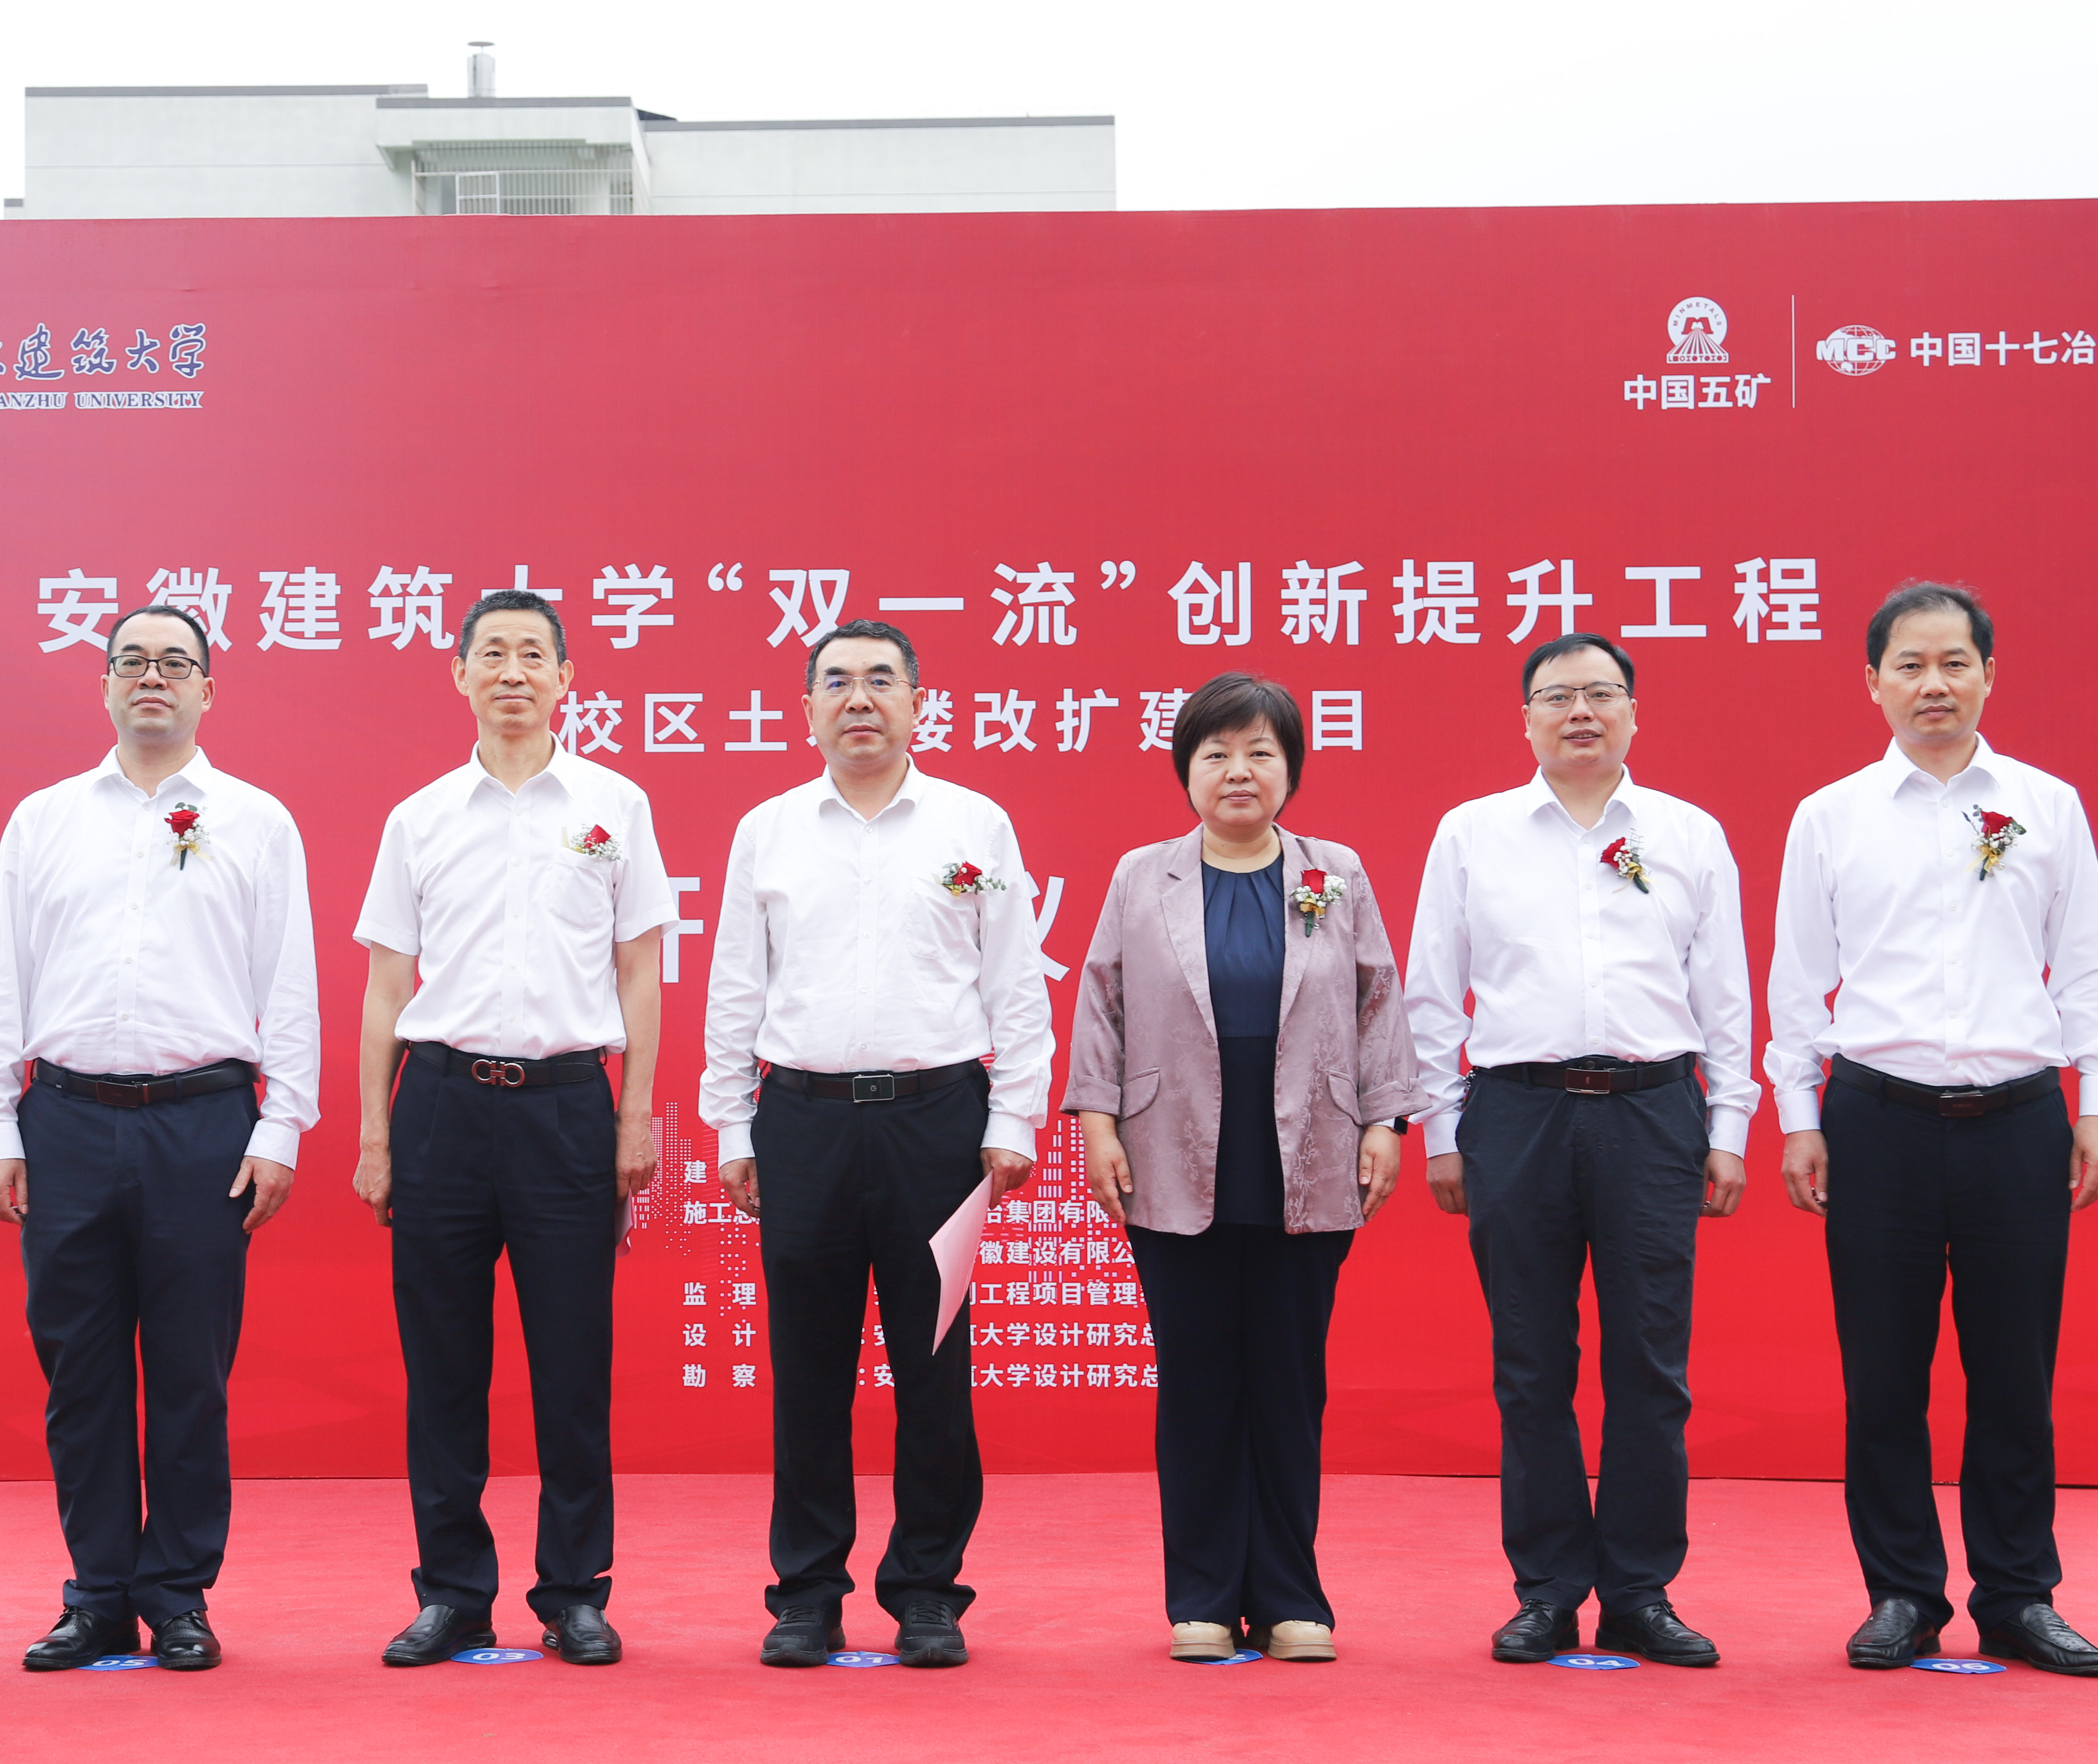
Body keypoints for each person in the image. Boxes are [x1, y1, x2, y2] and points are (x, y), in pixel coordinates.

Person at [1766, 584, 2098, 1677]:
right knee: (1885, 1375)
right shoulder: (1831, 815)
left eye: (1954, 663)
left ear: (1988, 675)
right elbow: (1797, 985)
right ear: (1873, 682)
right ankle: (1903, 1594)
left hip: (2020, 1118)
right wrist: (1799, 1117)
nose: (1934, 684)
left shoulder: (2048, 806)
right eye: (1911, 665)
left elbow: (2090, 968)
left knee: (2015, 1372)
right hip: (1877, 1119)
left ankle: (2018, 1596)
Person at [0, 606, 319, 1673]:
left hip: (204, 1123)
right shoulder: (44, 819)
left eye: (174, 663)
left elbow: (288, 981)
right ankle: (98, 1595)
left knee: (190, 1374)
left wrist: (282, 1126)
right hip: (65, 1120)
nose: (151, 678)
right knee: (78, 1373)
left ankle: (178, 1596)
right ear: (105, 685)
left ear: (208, 688)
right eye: (132, 662)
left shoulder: (256, 820)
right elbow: (2, 976)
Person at [705, 618, 1053, 1670]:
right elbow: (736, 987)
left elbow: (1016, 982)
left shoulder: (975, 823)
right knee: (807, 1373)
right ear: (807, 708)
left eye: (881, 681)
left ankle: (927, 1592)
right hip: (802, 1121)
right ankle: (807, 1594)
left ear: (918, 702)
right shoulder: (769, 830)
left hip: (936, 1124)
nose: (860, 699)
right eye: (838, 683)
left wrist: (1014, 1117)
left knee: (933, 1369)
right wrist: (732, 1124)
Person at [1403, 631, 1754, 1669]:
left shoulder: (1688, 833)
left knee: (1651, 1364)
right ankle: (1550, 1589)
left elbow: (1724, 994)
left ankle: (1641, 1591)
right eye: (1558, 697)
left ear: (1635, 713)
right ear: (1526, 721)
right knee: (1530, 1363)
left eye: (1603, 694)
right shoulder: (1473, 833)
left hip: (1654, 1111)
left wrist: (1729, 1127)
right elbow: (1433, 993)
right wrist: (1442, 1130)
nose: (1582, 713)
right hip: (1517, 1114)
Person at [352, 589, 674, 1668]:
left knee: (571, 1365)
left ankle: (574, 1591)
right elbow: (387, 984)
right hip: (440, 1106)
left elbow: (640, 969)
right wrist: (375, 1134)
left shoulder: (615, 804)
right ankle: (452, 1592)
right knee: (443, 1367)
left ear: (566, 677)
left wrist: (635, 1115)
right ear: (460, 674)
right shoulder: (420, 817)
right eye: (492, 653)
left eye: (534, 654)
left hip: (568, 1109)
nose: (513, 672)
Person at [1067, 672, 1412, 1663]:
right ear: (1187, 770)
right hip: (1172, 1159)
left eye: (1261, 751)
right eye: (1216, 753)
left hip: (1309, 1155)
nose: (1239, 771)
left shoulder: (1334, 872)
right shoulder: (1143, 877)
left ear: (1290, 769)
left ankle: (1293, 1598)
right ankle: (1204, 1599)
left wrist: (1387, 1119)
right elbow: (1101, 1000)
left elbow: (1378, 998)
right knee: (1199, 1386)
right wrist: (1096, 1121)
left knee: (1290, 1386)